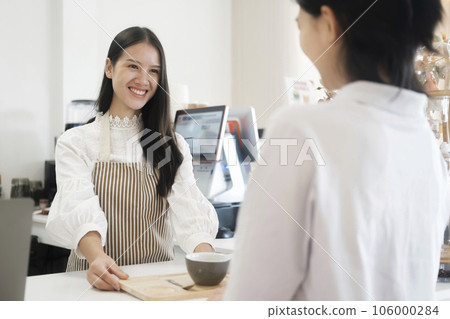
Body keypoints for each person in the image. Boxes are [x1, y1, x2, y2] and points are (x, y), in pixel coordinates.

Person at [223, 0, 450, 300]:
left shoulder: (300, 130)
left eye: (300, 22)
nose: (300, 33)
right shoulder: (428, 149)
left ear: (329, 24)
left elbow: (251, 300)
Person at [46, 26, 218, 291]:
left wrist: (208, 263)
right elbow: (76, 204)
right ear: (109, 68)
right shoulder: (76, 142)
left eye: (153, 71)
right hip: (94, 282)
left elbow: (190, 212)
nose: (144, 79)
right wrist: (97, 258)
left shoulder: (171, 145)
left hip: (156, 286)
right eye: (133, 66)